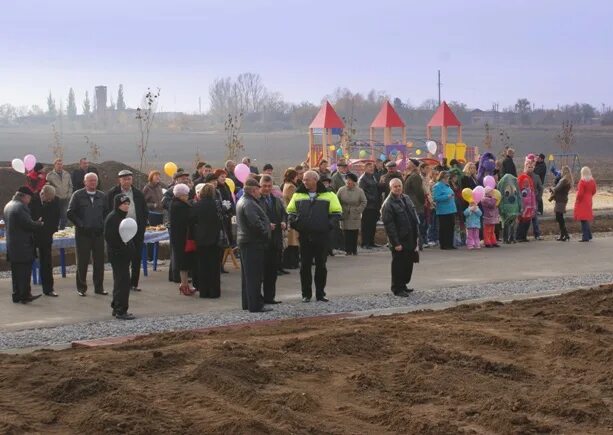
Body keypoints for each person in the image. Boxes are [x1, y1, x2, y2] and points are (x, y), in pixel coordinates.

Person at [287, 170, 342, 303]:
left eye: (307, 179)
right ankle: (306, 294)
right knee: (305, 266)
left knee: (321, 265)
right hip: (305, 236)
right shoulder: (298, 194)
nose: (304, 182)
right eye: (304, 180)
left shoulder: (329, 195)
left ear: (315, 180)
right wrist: (297, 225)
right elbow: (290, 212)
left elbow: (337, 213)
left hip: (322, 236)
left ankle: (320, 293)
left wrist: (326, 226)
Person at [106, 170, 148, 292]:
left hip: (136, 229)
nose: (127, 181)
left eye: (129, 179)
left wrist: (143, 225)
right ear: (119, 180)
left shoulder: (138, 193)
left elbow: (144, 210)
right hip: (120, 231)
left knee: (136, 256)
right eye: (124, 179)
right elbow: (108, 210)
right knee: (121, 258)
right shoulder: (113, 193)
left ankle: (134, 283)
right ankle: (120, 282)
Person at [67, 172, 107, 296]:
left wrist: (103, 225)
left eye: (95, 180)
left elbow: (107, 213)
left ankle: (99, 288)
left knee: (99, 262)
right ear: (85, 182)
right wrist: (81, 224)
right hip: (83, 234)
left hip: (98, 234)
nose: (93, 183)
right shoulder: (78, 195)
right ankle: (81, 288)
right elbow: (70, 213)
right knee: (82, 262)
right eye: (90, 181)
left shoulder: (102, 196)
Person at [236, 178, 272, 313]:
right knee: (254, 276)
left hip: (247, 242)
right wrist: (265, 234)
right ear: (253, 190)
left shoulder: (245, 201)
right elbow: (255, 223)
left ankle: (248, 302)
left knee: (247, 276)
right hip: (252, 243)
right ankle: (255, 304)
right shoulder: (249, 204)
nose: (260, 192)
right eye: (258, 189)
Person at [3, 186, 44, 304]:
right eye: (29, 198)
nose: (30, 200)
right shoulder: (21, 207)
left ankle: (16, 295)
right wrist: (39, 223)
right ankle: (25, 295)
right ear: (25, 197)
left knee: (16, 273)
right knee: (25, 272)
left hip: (13, 245)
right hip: (23, 245)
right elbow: (28, 224)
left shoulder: (9, 205)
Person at [381, 178, 419, 297]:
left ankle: (403, 285)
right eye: (395, 186)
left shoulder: (406, 198)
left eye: (399, 186)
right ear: (391, 188)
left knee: (408, 263)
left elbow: (413, 216)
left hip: (410, 237)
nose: (397, 188)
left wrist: (417, 236)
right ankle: (397, 288)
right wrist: (395, 243)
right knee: (398, 265)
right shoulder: (388, 204)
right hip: (399, 239)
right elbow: (389, 226)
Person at [104, 194, 136, 320]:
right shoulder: (113, 218)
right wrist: (123, 249)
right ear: (118, 205)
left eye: (128, 204)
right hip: (118, 255)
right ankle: (120, 310)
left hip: (123, 254)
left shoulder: (122, 217)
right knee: (122, 282)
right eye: (124, 204)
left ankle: (117, 306)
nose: (126, 206)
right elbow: (111, 238)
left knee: (121, 281)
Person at [190, 183, 224, 298]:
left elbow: (192, 221)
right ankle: (215, 291)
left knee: (202, 266)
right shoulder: (217, 205)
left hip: (201, 238)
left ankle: (204, 291)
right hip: (215, 238)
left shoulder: (196, 206)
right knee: (214, 267)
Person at [260, 175, 287, 304]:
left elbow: (284, 214)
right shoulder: (257, 201)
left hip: (276, 240)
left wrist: (283, 221)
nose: (266, 188)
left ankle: (270, 297)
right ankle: (259, 297)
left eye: (269, 186)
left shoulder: (276, 200)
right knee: (262, 272)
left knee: (272, 271)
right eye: (264, 186)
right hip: (263, 241)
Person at [34, 185, 61, 296]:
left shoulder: (55, 200)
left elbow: (56, 217)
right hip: (33, 234)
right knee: (26, 262)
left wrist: (51, 231)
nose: (50, 201)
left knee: (47, 262)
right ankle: (24, 291)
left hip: (46, 235)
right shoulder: (33, 199)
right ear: (42, 194)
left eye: (51, 199)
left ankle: (48, 289)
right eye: (48, 199)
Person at [170, 183, 196, 295]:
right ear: (181, 195)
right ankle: (184, 285)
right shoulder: (179, 206)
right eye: (186, 195)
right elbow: (188, 220)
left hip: (180, 237)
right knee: (183, 262)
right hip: (182, 238)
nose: (188, 197)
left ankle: (184, 284)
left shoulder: (176, 204)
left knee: (183, 262)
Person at [337, 173, 367, 255]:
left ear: (354, 182)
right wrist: (340, 210)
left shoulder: (359, 191)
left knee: (354, 233)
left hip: (355, 214)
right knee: (346, 233)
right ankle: (347, 250)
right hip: (345, 213)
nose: (348, 183)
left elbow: (364, 202)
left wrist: (358, 210)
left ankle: (354, 250)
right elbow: (337, 201)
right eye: (347, 181)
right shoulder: (341, 190)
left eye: (350, 182)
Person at [358, 161, 382, 249]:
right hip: (367, 206)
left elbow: (376, 187)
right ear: (365, 168)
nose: (371, 168)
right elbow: (362, 192)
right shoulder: (363, 179)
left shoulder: (373, 177)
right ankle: (365, 243)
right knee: (366, 225)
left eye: (372, 167)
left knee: (372, 225)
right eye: (369, 167)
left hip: (375, 205)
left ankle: (371, 242)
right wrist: (372, 198)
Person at [403, 159, 426, 249]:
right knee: (412, 225)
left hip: (415, 205)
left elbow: (419, 192)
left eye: (408, 162)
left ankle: (417, 244)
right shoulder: (410, 175)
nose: (407, 164)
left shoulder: (415, 176)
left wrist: (421, 202)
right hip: (410, 204)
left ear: (413, 165)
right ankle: (414, 244)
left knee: (416, 225)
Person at [432, 171, 457, 250]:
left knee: (451, 227)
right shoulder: (437, 186)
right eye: (446, 177)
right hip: (443, 211)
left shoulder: (447, 185)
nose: (447, 179)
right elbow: (435, 198)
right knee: (444, 228)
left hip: (451, 209)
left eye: (448, 177)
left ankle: (450, 244)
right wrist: (447, 196)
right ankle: (444, 244)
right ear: (441, 178)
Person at [45, 158, 73, 229]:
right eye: (58, 164)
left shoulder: (67, 174)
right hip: (55, 199)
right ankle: (54, 230)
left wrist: (69, 195)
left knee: (64, 216)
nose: (60, 166)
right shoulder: (50, 175)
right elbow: (47, 187)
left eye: (61, 164)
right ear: (54, 165)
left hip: (65, 199)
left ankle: (62, 230)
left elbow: (70, 186)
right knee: (55, 216)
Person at [282, 168, 300, 269]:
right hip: (292, 214)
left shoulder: (286, 185)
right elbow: (295, 200)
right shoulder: (291, 187)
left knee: (291, 241)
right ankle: (292, 262)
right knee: (293, 241)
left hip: (289, 213)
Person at [548, 165, 572, 241]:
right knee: (560, 217)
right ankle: (563, 235)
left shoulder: (564, 180)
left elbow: (557, 188)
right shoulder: (568, 179)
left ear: (564, 171)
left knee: (559, 218)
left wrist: (551, 189)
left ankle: (565, 234)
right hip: (562, 199)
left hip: (560, 200)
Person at [574, 166, 597, 242]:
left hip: (582, 201)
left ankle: (585, 237)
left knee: (583, 219)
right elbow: (594, 191)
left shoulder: (582, 182)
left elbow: (580, 194)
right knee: (585, 218)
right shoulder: (592, 181)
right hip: (589, 200)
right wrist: (589, 196)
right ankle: (589, 235)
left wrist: (577, 199)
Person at [497, 174, 521, 244]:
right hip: (508, 206)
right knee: (507, 223)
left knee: (511, 223)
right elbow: (500, 196)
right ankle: (506, 238)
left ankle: (511, 237)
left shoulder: (513, 182)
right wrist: (501, 207)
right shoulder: (503, 183)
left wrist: (520, 205)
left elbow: (518, 195)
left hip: (513, 206)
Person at [526, 160, 543, 240]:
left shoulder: (536, 177)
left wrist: (538, 197)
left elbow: (541, 188)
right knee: (525, 218)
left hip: (534, 200)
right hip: (525, 201)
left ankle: (537, 234)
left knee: (534, 217)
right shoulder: (523, 176)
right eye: (528, 167)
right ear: (526, 167)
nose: (530, 168)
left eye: (531, 167)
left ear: (534, 168)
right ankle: (523, 235)